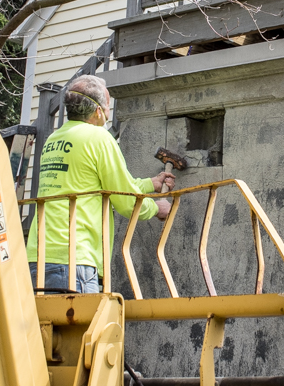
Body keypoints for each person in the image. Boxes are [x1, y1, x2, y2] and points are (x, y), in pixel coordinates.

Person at [25, 75, 174, 292]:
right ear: (97, 110)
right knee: (88, 326)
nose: (107, 113)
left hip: (38, 259)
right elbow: (125, 203)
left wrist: (150, 184)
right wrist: (156, 208)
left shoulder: (54, 138)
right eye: (107, 108)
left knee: (47, 326)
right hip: (75, 259)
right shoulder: (99, 137)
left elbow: (97, 185)